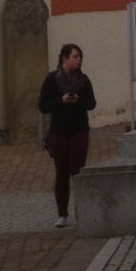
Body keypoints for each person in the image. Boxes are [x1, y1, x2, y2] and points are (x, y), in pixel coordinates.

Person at [38, 42, 96, 227]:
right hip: (59, 131)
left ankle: (83, 210)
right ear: (65, 59)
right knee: (61, 173)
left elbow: (91, 103)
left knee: (78, 171)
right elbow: (43, 105)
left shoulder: (83, 80)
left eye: (80, 57)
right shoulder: (52, 80)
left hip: (79, 129)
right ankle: (62, 214)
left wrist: (78, 100)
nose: (79, 60)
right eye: (75, 56)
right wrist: (61, 101)